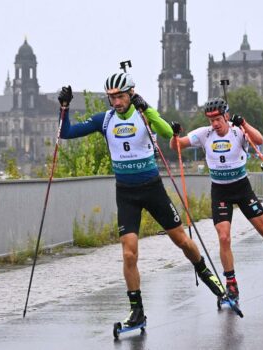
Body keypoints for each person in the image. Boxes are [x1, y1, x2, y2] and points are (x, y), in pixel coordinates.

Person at [57, 73, 225, 328]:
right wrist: (64, 107)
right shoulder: (106, 119)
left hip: (152, 189)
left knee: (181, 240)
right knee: (128, 253)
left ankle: (206, 273)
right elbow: (66, 133)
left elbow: (169, 133)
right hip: (126, 192)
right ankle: (137, 311)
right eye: (111, 97)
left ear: (131, 93)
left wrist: (147, 108)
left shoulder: (144, 114)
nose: (115, 102)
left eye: (120, 96)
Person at [170, 97, 263, 302]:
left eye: (218, 119)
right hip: (220, 191)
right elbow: (177, 146)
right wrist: (175, 134)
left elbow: (260, 140)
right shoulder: (204, 134)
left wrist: (243, 123)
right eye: (211, 120)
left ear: (226, 116)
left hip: (242, 188)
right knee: (224, 237)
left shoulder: (238, 131)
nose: (215, 124)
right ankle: (231, 285)